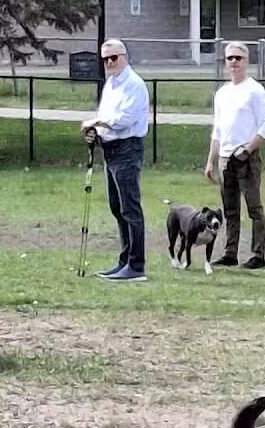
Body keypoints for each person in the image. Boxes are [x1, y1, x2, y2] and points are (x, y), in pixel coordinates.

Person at [81, 39, 150, 282]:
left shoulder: (134, 84)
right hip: (110, 149)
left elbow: (125, 119)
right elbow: (106, 116)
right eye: (106, 59)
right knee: (116, 207)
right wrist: (96, 132)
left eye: (114, 58)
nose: (110, 63)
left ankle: (136, 265)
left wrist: (96, 123)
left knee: (130, 208)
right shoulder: (110, 84)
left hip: (128, 148)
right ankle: (124, 260)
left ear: (124, 57)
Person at [204, 41, 265, 270]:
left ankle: (257, 254)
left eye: (238, 58)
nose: (234, 62)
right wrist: (211, 160)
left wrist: (249, 148)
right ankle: (229, 252)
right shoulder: (222, 93)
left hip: (246, 157)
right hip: (225, 158)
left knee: (254, 207)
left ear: (246, 61)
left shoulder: (254, 90)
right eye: (230, 58)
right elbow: (218, 129)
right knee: (230, 208)